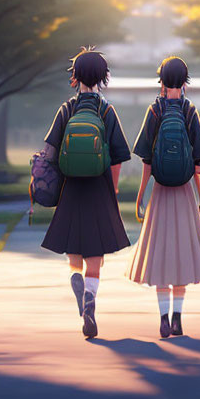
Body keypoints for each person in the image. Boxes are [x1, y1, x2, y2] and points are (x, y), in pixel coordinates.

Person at [41, 47, 131, 339]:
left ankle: (77, 281)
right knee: (96, 253)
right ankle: (91, 299)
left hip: (71, 190)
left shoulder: (66, 109)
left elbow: (49, 152)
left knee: (74, 252)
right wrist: (113, 188)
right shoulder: (106, 111)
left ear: (75, 76)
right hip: (99, 189)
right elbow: (118, 156)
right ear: (103, 78)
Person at [127, 56, 200, 338]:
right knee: (182, 255)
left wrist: (141, 196)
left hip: (161, 192)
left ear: (161, 80)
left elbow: (147, 163)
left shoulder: (155, 112)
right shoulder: (190, 112)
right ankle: (178, 318)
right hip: (185, 193)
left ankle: (163, 318)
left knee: (161, 256)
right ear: (185, 81)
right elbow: (199, 166)